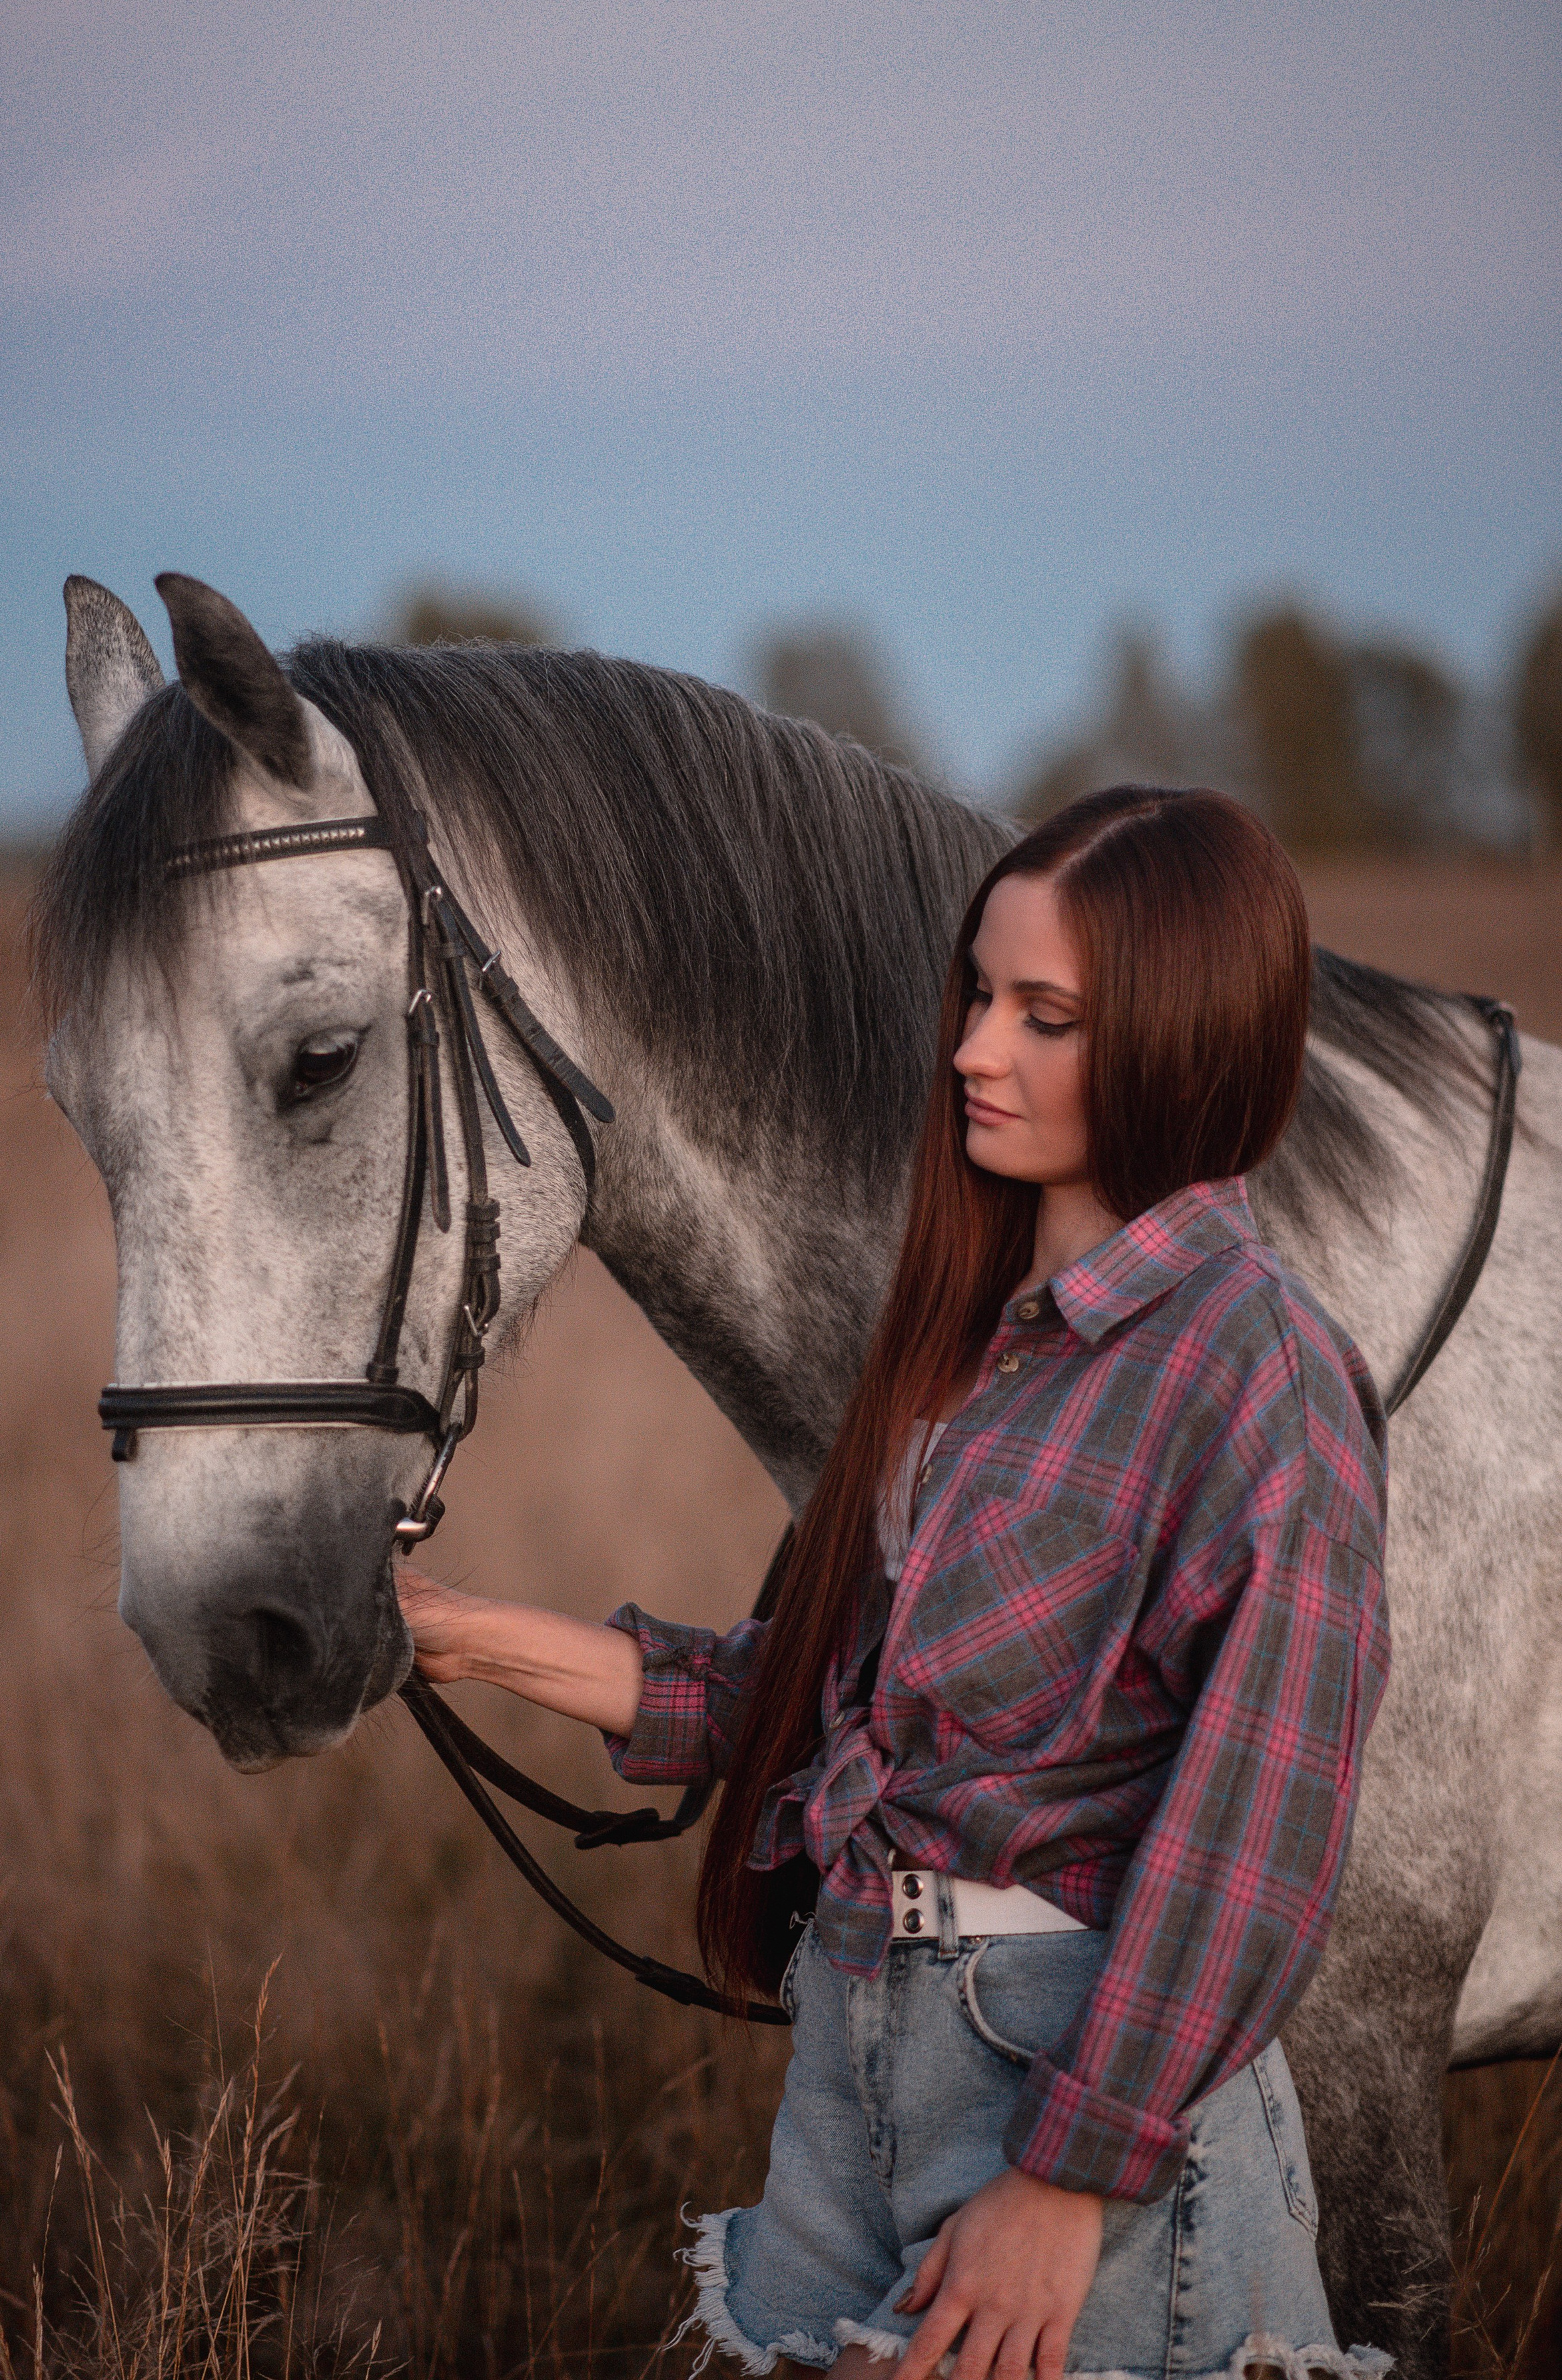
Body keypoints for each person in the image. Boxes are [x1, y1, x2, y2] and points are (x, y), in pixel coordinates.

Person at [398, 786, 1393, 2380]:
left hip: (1073, 2094)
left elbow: (1251, 1848)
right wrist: (450, 1641)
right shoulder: (966, 1337)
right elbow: (796, 1702)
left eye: (1044, 1016)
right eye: (977, 995)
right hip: (856, 2050)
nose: (972, 1051)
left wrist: (1067, 2182)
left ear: (1185, 1032)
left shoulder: (1253, 1372)